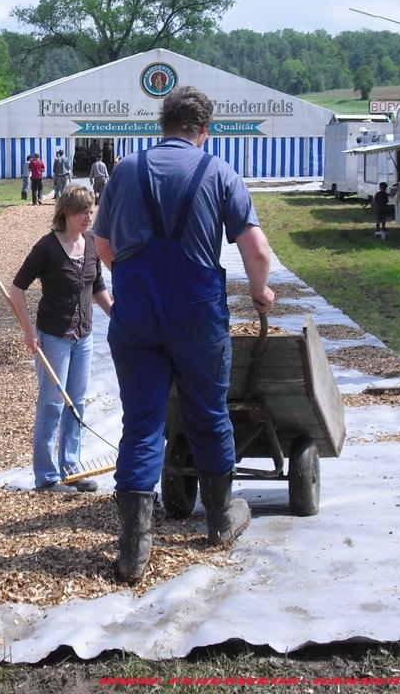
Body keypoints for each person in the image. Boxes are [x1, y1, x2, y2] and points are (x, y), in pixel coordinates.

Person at [93, 86, 275, 584]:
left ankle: (134, 550)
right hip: (197, 316)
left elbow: (103, 247)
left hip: (137, 316)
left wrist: (137, 277)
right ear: (204, 130)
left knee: (143, 421)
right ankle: (219, 521)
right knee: (208, 413)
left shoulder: (125, 170)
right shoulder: (218, 172)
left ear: (162, 124)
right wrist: (260, 292)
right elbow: (256, 252)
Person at [11, 186, 114, 493]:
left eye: (91, 210)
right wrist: (29, 331)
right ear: (66, 213)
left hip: (83, 337)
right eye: (83, 211)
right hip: (53, 337)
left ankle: (71, 468)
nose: (89, 216)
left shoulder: (92, 244)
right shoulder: (47, 247)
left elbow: (97, 288)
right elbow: (17, 289)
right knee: (53, 404)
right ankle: (45, 476)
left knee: (76, 403)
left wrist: (117, 316)